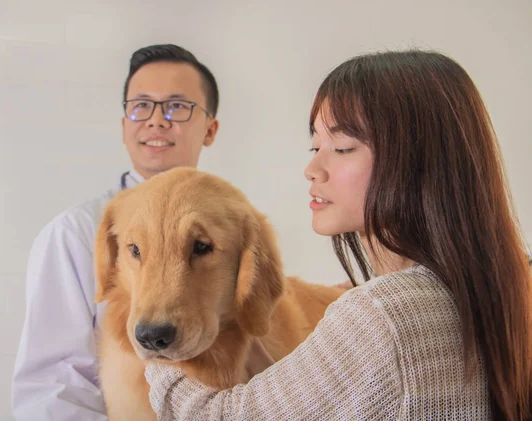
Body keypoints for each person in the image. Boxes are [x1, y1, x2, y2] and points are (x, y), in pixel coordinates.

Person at [144, 50, 532, 420]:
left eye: (343, 147)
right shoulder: (501, 290)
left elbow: (222, 417)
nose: (313, 167)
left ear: (415, 162)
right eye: (315, 144)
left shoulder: (381, 316)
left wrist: (155, 344)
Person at [11, 44, 220, 420]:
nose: (156, 120)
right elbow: (53, 390)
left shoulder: (228, 229)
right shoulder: (76, 233)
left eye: (177, 106)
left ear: (210, 128)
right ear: (125, 126)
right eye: (141, 106)